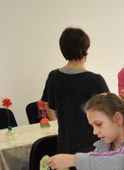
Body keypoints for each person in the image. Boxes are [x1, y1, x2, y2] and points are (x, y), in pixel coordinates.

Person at [40, 27, 109, 157]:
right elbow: (108, 113)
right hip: (92, 146)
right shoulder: (95, 80)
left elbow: (48, 106)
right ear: (85, 50)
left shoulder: (54, 77)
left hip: (65, 145)